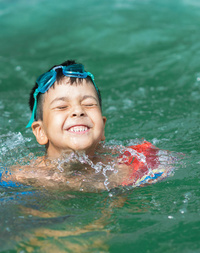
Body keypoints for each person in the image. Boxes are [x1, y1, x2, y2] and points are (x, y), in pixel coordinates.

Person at [0, 60, 172, 191]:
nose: (78, 112)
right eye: (62, 107)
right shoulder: (20, 177)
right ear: (41, 132)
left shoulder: (128, 165)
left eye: (89, 104)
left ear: (102, 127)